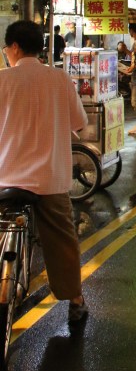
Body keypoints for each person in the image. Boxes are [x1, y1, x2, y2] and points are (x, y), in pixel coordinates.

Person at [0, 20, 88, 323]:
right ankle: (75, 299)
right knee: (62, 239)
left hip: (7, 177)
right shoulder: (59, 79)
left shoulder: (2, 80)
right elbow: (79, 123)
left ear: (14, 47)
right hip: (50, 179)